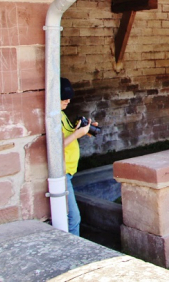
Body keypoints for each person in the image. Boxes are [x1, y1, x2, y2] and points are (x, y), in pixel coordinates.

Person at [60, 77, 98, 236]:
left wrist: (81, 131)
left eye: (69, 97)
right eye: (63, 97)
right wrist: (77, 134)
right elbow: (57, 146)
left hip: (67, 172)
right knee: (73, 219)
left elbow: (66, 137)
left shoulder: (61, 114)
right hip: (61, 174)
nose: (68, 100)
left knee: (69, 217)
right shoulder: (53, 117)